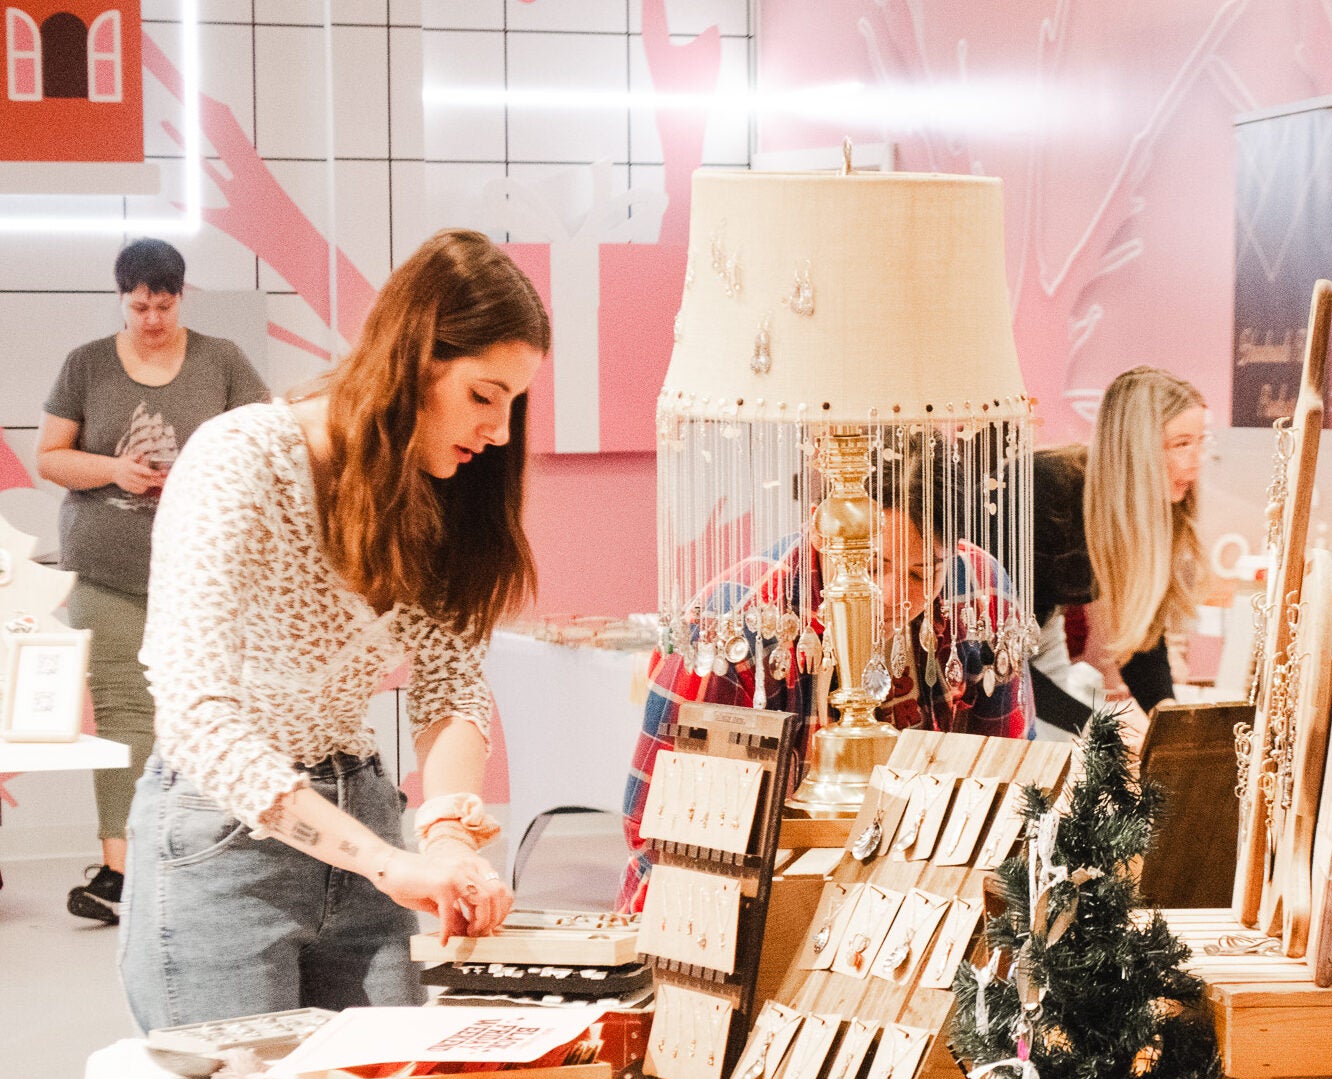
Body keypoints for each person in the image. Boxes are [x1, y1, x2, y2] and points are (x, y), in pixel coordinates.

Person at [119, 229, 542, 1032]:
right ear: (412, 357)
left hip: (363, 827)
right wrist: (389, 862)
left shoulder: (437, 491)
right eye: (484, 395)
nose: (498, 432)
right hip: (224, 841)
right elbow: (199, 720)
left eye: (513, 404)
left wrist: (448, 837)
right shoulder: (240, 459)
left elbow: (449, 681)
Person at [619, 442, 1034, 911]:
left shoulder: (980, 596)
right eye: (873, 566)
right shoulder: (734, 622)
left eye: (923, 574)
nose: (895, 597)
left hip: (926, 906)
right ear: (821, 528)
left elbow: (1011, 787)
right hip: (742, 910)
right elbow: (660, 830)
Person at [36, 238, 270, 923]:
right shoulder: (86, 363)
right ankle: (120, 871)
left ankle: (213, 857)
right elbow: (50, 457)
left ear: (181, 296)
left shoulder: (221, 359)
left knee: (212, 709)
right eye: (138, 305)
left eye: (163, 305)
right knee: (122, 717)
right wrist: (113, 470)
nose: (151, 318)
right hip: (105, 572)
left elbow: (264, 440)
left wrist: (198, 475)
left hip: (202, 574)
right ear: (122, 297)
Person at [1031, 366, 1207, 743]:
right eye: (1181, 444)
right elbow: (1000, 665)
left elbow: (1144, 639)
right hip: (981, 639)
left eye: (1200, 441)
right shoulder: (1049, 495)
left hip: (1036, 637)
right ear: (1135, 447)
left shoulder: (1157, 508)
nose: (1196, 461)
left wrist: (1171, 724)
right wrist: (1098, 728)